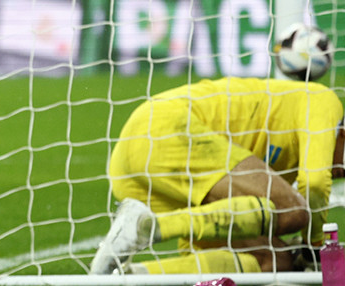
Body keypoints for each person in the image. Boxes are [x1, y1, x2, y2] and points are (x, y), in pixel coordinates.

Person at [90, 77, 345, 275]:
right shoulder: (324, 101)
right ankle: (147, 227)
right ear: (342, 135)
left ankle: (123, 275)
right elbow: (313, 183)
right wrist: (315, 248)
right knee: (291, 210)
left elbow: (201, 240)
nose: (339, 173)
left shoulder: (277, 169)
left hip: (133, 173)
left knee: (274, 259)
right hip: (165, 128)